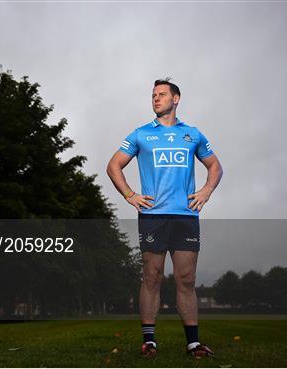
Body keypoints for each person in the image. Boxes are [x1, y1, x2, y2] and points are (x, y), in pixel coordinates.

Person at [106, 79, 223, 358]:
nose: (156, 99)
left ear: (176, 98)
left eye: (161, 94)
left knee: (186, 279)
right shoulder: (141, 134)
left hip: (185, 216)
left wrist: (206, 190)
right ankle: (149, 341)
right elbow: (113, 165)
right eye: (153, 95)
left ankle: (193, 343)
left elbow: (215, 166)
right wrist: (130, 194)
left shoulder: (192, 134)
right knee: (152, 277)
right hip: (152, 216)